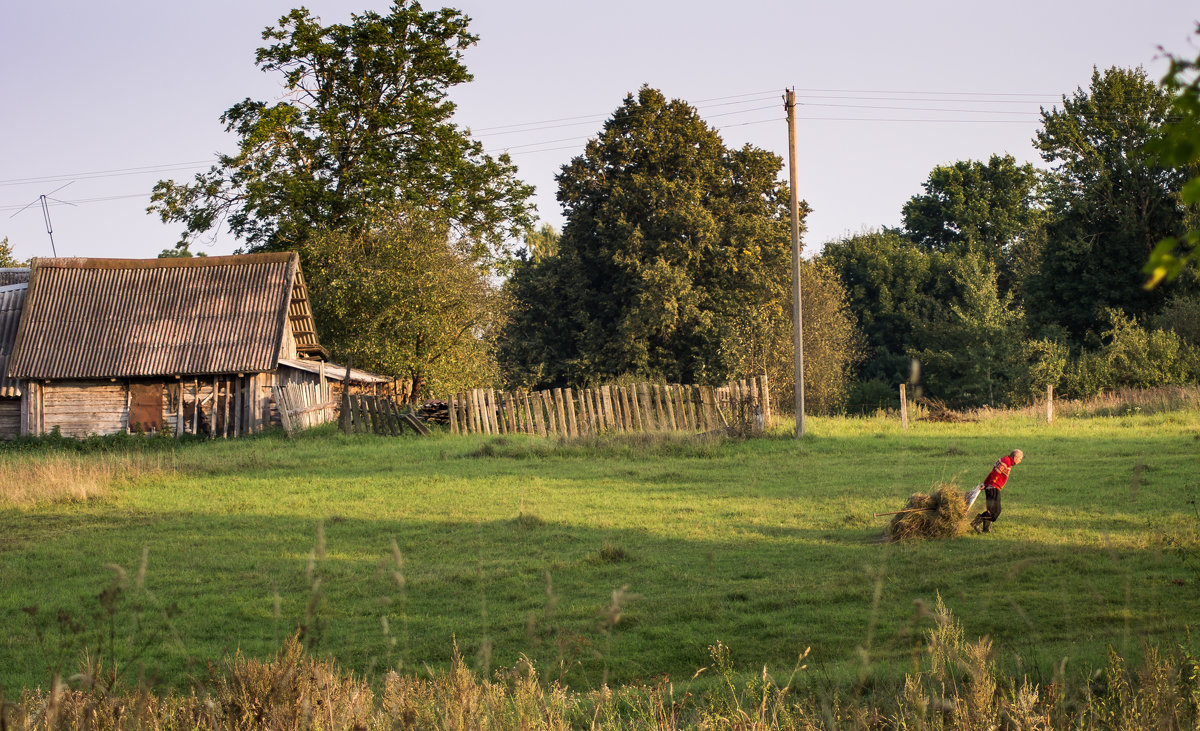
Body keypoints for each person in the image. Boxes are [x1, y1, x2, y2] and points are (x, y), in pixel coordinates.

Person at [971, 449, 1023, 533]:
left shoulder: (1006, 460)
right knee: (996, 512)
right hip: (993, 488)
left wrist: (985, 483)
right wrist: (990, 484)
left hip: (991, 486)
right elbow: (995, 473)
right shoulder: (1006, 461)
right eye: (1020, 459)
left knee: (991, 510)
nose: (1020, 461)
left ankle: (986, 529)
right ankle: (975, 522)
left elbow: (992, 472)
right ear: (1015, 457)